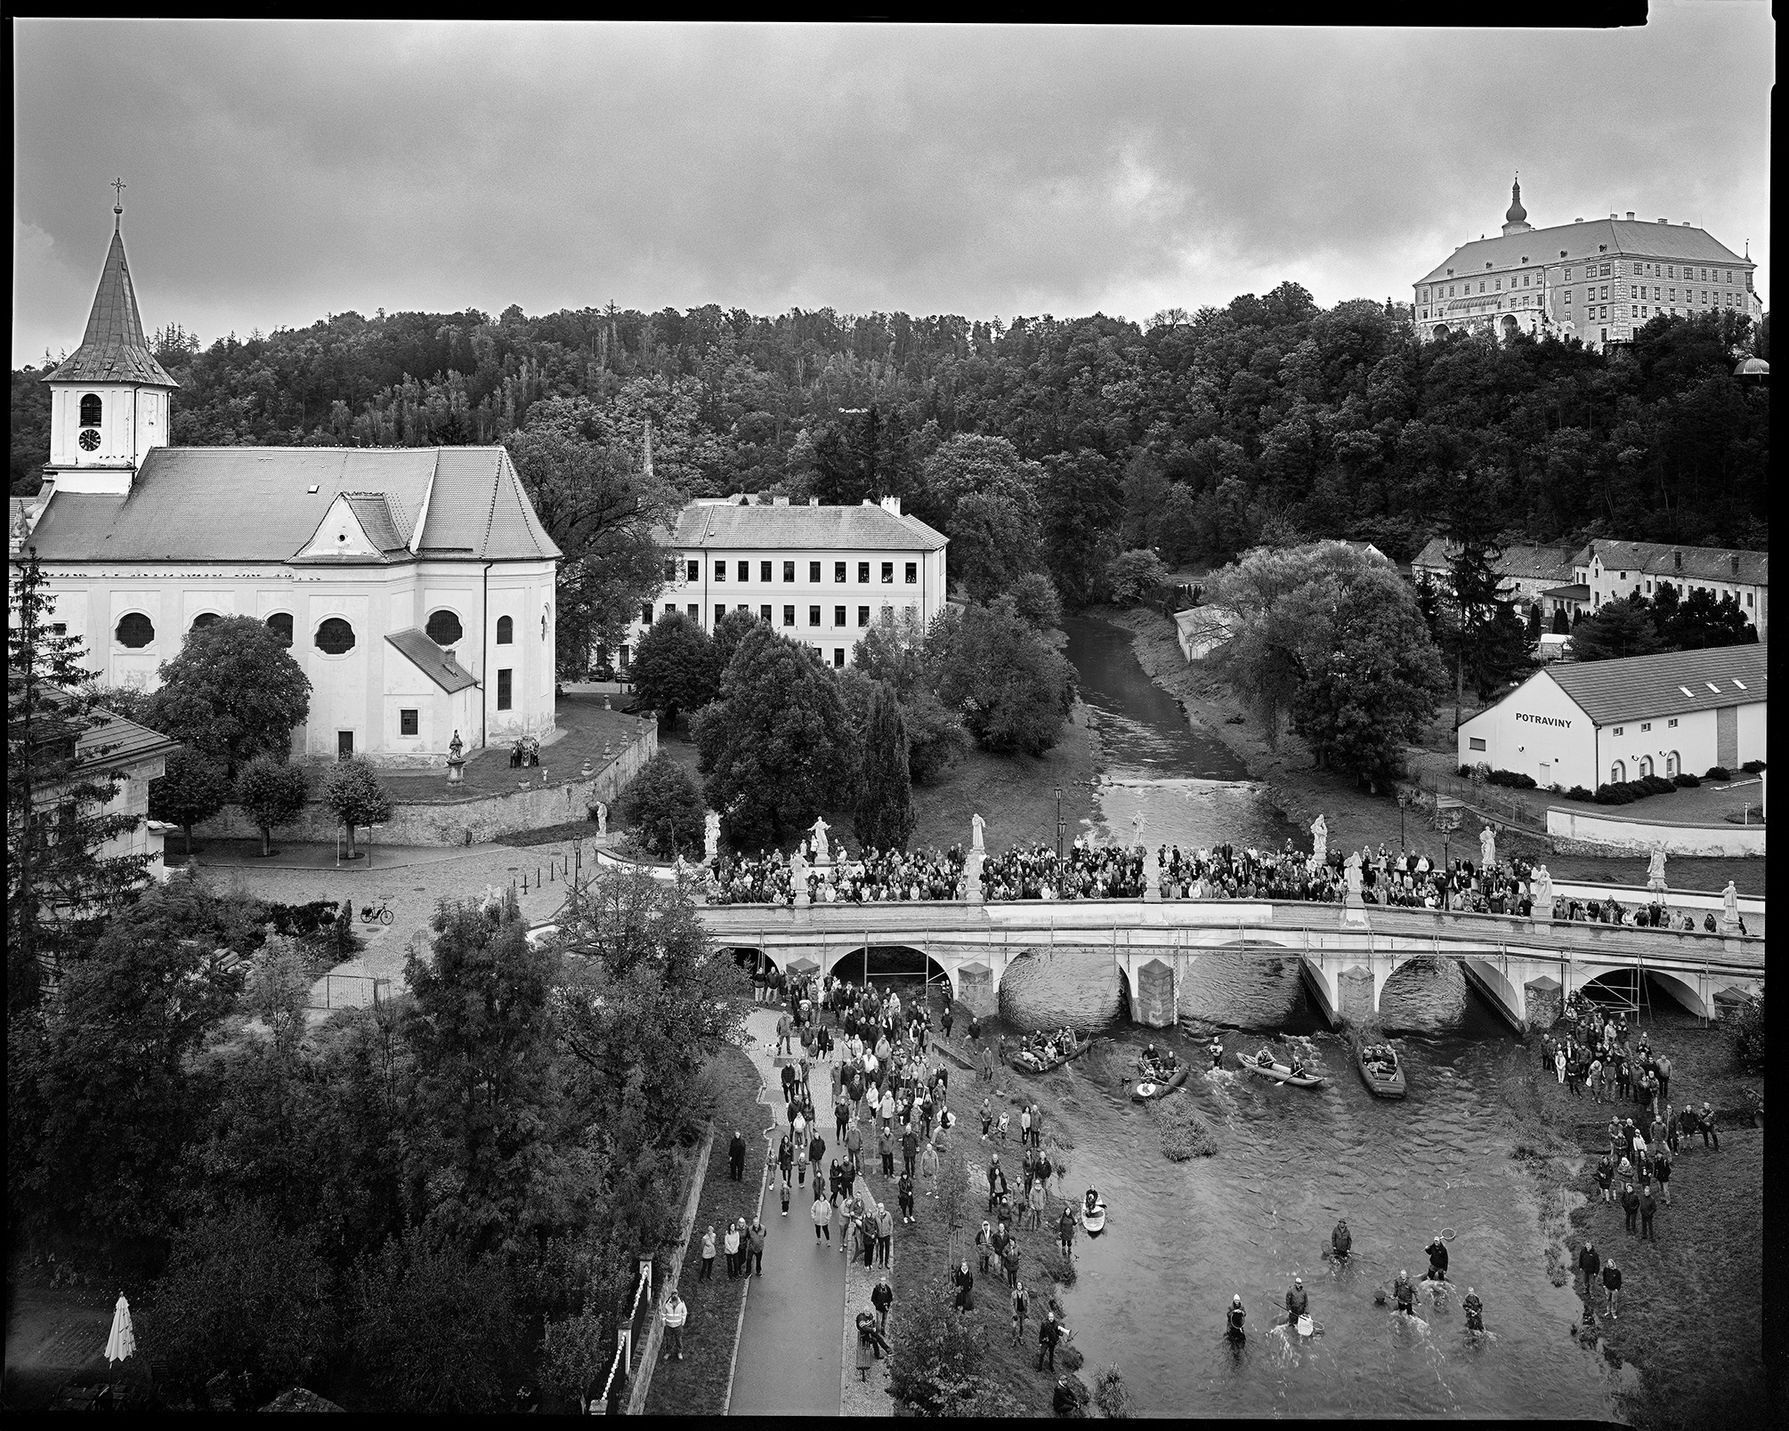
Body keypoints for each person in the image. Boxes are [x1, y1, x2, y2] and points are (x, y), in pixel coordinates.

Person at [661, 1288, 687, 1360]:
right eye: (673, 1293)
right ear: (671, 1295)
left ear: (677, 1294)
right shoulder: (666, 1304)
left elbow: (684, 1312)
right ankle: (668, 1352)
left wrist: (683, 1322)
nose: (674, 1295)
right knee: (668, 1340)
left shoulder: (681, 1303)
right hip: (668, 1326)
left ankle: (679, 1352)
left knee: (678, 1340)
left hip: (678, 1326)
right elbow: (663, 1314)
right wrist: (664, 1323)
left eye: (675, 1293)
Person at [1011, 1278, 1031, 1345]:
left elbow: (1028, 1303)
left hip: (1023, 1313)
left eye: (1020, 1285)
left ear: (1022, 1286)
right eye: (1018, 1285)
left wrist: (1027, 1313)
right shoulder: (1013, 1293)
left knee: (1022, 1326)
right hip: (1016, 1312)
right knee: (1014, 1327)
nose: (1019, 1286)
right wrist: (1014, 1313)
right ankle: (1014, 1339)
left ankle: (1020, 1337)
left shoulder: (1025, 1293)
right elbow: (1012, 1304)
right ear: (1016, 1286)